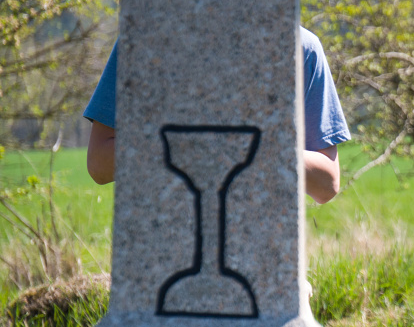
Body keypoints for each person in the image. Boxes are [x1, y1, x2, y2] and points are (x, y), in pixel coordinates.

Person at [83, 28, 351, 204]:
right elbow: (99, 164)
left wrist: (256, 147)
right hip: (161, 252)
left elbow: (327, 183)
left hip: (265, 253)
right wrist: (183, 142)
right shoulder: (142, 39)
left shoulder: (302, 47)